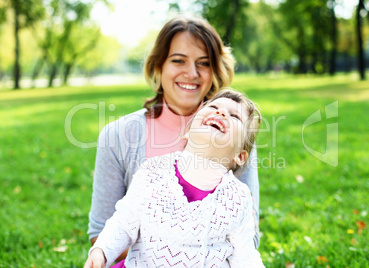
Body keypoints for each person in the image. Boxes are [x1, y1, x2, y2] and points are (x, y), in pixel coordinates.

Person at [87, 15, 261, 262]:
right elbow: (103, 231)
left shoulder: (235, 138)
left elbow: (247, 240)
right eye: (178, 60)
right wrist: (166, 254)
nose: (191, 73)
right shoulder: (120, 138)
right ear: (158, 66)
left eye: (203, 63)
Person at [84, 89, 264, 268]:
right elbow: (123, 222)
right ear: (187, 132)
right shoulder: (153, 172)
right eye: (214, 106)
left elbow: (245, 257)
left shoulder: (238, 198)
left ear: (240, 157)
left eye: (235, 117)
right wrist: (102, 251)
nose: (221, 112)